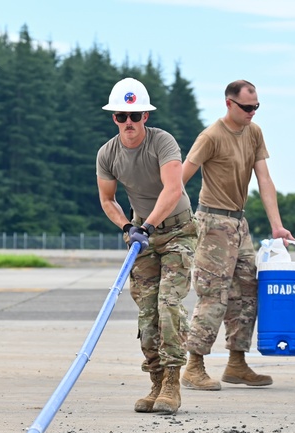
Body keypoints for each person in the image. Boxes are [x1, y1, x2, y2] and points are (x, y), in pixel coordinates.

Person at [180, 79, 295, 391]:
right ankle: (194, 366)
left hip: (239, 224)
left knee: (246, 291)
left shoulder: (254, 133)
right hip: (213, 222)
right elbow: (179, 179)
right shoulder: (211, 137)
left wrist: (277, 225)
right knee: (213, 294)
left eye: (256, 107)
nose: (252, 113)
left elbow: (265, 179)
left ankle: (236, 363)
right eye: (247, 107)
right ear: (229, 103)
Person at [96, 78, 197, 415]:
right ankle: (155, 380)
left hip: (177, 231)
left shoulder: (162, 142)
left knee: (168, 303)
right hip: (142, 236)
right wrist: (128, 227)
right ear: (114, 118)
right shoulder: (107, 154)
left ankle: (172, 382)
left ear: (145, 117)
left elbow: (172, 189)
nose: (128, 123)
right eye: (121, 116)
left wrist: (148, 225)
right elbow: (108, 201)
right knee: (147, 312)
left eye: (135, 115)